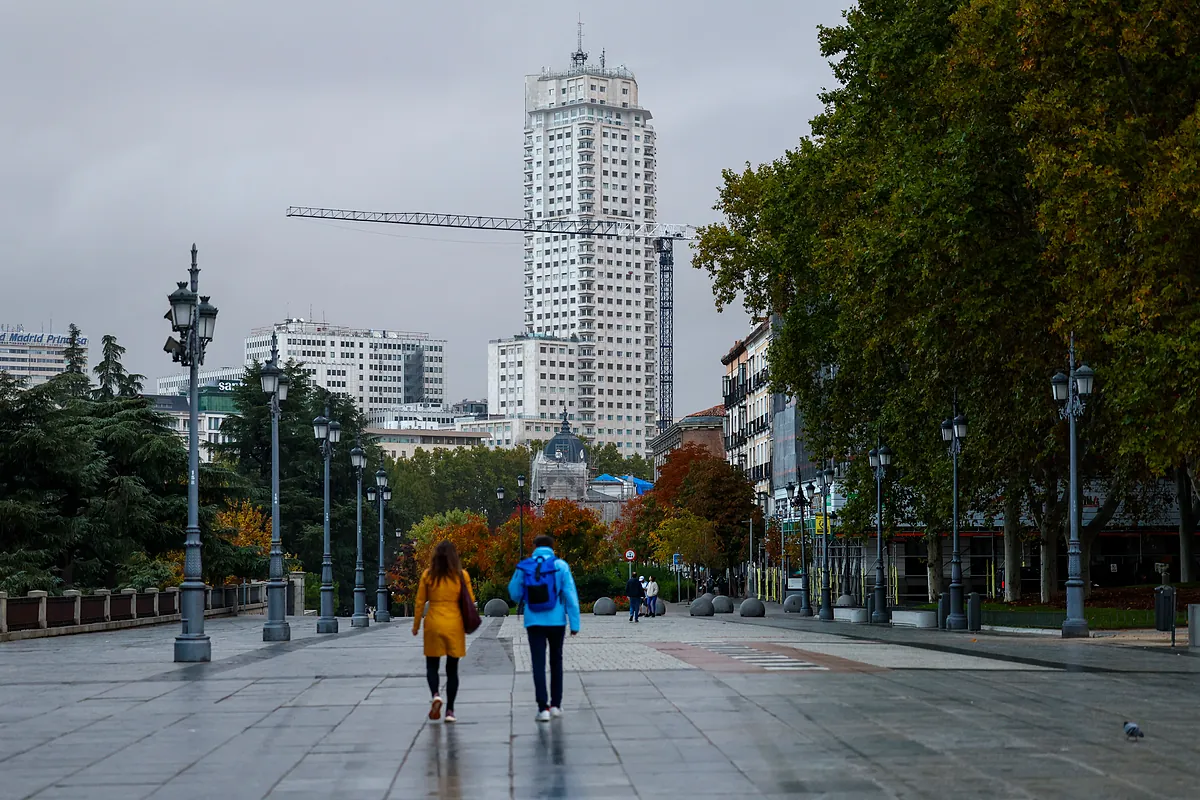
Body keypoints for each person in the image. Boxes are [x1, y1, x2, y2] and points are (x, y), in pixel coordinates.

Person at [508, 534, 581, 722]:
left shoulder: (525, 566)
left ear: (534, 547)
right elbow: (571, 595)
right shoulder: (560, 565)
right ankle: (556, 705)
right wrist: (575, 624)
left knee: (538, 663)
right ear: (552, 547)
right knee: (556, 661)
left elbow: (514, 593)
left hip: (534, 621)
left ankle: (543, 708)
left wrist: (528, 596)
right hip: (557, 621)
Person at [412, 540, 475, 724]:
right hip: (455, 624)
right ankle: (450, 711)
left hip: (434, 623)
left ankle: (435, 694)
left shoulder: (428, 575)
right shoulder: (462, 575)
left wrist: (416, 625)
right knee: (452, 669)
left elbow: (419, 602)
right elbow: (470, 600)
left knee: (432, 665)